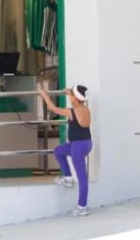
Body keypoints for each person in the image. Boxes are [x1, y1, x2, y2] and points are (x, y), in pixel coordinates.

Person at [40, 85, 93, 216]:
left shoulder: (72, 111)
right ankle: (68, 178)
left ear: (75, 99)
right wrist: (69, 93)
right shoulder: (86, 109)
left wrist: (44, 95)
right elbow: (77, 106)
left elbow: (53, 108)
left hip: (77, 147)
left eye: (71, 96)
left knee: (82, 178)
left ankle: (82, 206)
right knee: (58, 151)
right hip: (86, 143)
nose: (70, 98)